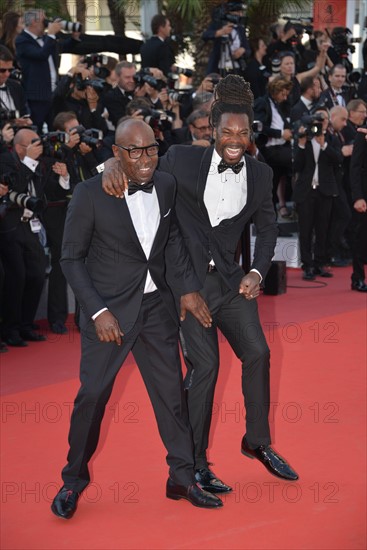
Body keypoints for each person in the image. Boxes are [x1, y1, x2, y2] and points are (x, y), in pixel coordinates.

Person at [102, 75, 299, 493]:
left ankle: (256, 441)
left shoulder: (261, 175)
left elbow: (267, 229)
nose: (234, 139)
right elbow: (138, 160)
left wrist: (257, 271)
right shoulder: (180, 159)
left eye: (243, 133)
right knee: (206, 367)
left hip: (230, 282)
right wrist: (110, 167)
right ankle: (192, 463)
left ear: (251, 134)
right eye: (226, 131)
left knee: (259, 353)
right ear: (211, 129)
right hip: (186, 284)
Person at [51, 119, 223, 520]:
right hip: (107, 315)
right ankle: (72, 481)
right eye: (134, 150)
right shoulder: (90, 193)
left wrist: (184, 288)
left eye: (150, 148)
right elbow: (70, 258)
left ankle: (181, 477)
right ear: (116, 153)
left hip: (155, 309)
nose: (145, 158)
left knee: (171, 397)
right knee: (92, 397)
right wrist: (96, 311)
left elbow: (174, 240)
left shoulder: (164, 184)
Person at [293, 108, 342, 280]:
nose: (321, 123)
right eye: (318, 120)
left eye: (324, 120)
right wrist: (300, 143)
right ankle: (307, 265)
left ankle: (320, 263)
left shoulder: (332, 139)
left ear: (328, 122)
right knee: (305, 230)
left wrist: (324, 145)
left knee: (323, 229)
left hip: (325, 191)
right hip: (306, 192)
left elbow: (339, 160)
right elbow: (296, 166)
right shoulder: (303, 139)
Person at [15, 9, 78, 132]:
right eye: (44, 20)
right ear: (33, 22)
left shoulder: (46, 39)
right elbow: (41, 55)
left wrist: (74, 38)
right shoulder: (22, 40)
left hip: (53, 93)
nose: (47, 22)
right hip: (36, 96)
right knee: (36, 130)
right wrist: (51, 34)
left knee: (56, 130)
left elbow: (62, 47)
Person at [349, 128, 367, 292]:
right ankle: (358, 278)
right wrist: (358, 197)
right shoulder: (363, 133)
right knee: (361, 237)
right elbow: (355, 166)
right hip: (365, 196)